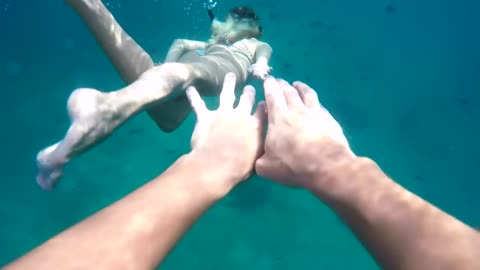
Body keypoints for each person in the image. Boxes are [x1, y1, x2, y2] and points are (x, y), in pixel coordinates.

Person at [6, 74, 479, 270]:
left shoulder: (231, 48)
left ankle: (97, 119)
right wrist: (333, 166)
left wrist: (209, 165)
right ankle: (95, 120)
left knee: (159, 83)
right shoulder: (244, 50)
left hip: (185, 85)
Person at [35, 0, 273, 190]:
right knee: (184, 77)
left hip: (176, 94)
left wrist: (260, 64)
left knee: (168, 109)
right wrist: (166, 72)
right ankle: (104, 107)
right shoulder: (229, 45)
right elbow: (183, 45)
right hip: (201, 74)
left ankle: (90, 7)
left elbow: (181, 43)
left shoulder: (238, 44)